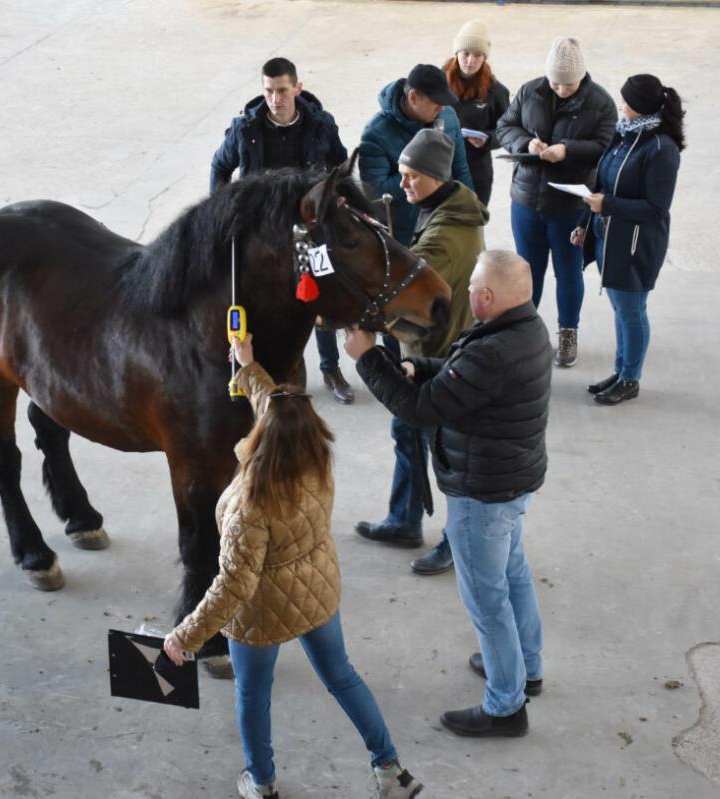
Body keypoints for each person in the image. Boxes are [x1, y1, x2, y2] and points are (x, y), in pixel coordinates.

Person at [163, 334, 423, 799]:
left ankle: (261, 782)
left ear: (262, 438)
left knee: (252, 695)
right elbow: (277, 409)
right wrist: (248, 366)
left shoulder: (248, 505)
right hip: (316, 591)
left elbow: (233, 585)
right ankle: (391, 770)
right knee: (342, 677)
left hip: (261, 613)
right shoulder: (316, 460)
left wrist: (186, 636)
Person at [344, 250, 551, 739]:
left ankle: (506, 708)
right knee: (513, 575)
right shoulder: (525, 329)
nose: (467, 293)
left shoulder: (493, 351)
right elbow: (464, 374)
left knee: (487, 600)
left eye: (473, 288)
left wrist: (367, 358)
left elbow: (419, 411)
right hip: (511, 482)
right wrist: (420, 366)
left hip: (482, 493)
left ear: (487, 296)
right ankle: (527, 668)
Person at [353, 129, 488, 580]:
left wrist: (358, 323)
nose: (403, 183)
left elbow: (400, 297)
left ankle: (455, 542)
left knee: (446, 455)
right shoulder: (451, 204)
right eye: (402, 173)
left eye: (412, 175)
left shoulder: (444, 236)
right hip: (429, 347)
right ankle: (405, 520)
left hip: (439, 352)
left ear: (436, 176)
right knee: (407, 434)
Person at [210, 57, 355, 405]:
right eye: (269, 91)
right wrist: (221, 209)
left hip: (307, 229)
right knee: (258, 298)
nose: (275, 99)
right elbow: (220, 165)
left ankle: (330, 367)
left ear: (297, 88)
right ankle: (258, 367)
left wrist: (338, 197)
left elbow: (340, 164)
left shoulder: (320, 125)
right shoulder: (245, 129)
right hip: (262, 232)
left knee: (317, 291)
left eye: (282, 91)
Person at [496, 37, 616, 369]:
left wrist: (567, 150)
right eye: (555, 83)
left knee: (568, 271)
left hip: (570, 207)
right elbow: (505, 126)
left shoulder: (601, 103)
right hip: (526, 200)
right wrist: (526, 143)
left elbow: (607, 147)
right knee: (527, 272)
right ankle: (525, 334)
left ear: (582, 77)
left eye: (569, 84)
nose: (561, 89)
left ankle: (568, 332)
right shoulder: (529, 91)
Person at [571, 75, 685, 405]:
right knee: (621, 309)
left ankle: (630, 378)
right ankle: (621, 371)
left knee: (631, 311)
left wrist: (607, 206)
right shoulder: (624, 135)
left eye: (626, 101)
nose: (621, 105)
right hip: (609, 238)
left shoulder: (661, 149)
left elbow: (656, 208)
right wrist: (585, 222)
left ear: (640, 106)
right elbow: (602, 184)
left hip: (635, 245)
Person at [359, 63, 474, 248]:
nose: (442, 108)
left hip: (445, 222)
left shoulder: (448, 117)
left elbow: (460, 167)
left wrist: (470, 210)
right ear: (413, 97)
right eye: (436, 102)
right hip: (405, 235)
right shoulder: (376, 133)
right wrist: (420, 170)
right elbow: (376, 192)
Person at [443, 19, 510, 208]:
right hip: (440, 169)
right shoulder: (438, 83)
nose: (470, 61)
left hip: (476, 172)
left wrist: (488, 139)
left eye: (478, 55)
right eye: (465, 53)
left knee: (472, 221)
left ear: (484, 58)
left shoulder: (496, 92)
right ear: (457, 53)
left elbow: (507, 130)